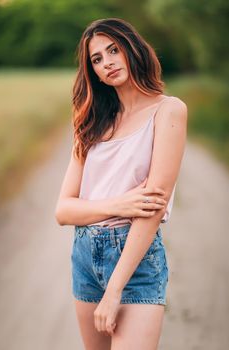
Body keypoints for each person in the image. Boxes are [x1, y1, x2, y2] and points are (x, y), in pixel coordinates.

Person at [55, 17, 187, 350]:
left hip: (135, 259)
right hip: (85, 255)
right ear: (93, 72)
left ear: (132, 48)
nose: (107, 62)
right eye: (96, 59)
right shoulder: (92, 122)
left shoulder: (168, 111)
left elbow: (151, 208)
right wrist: (117, 204)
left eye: (113, 50)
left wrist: (115, 290)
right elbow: (63, 210)